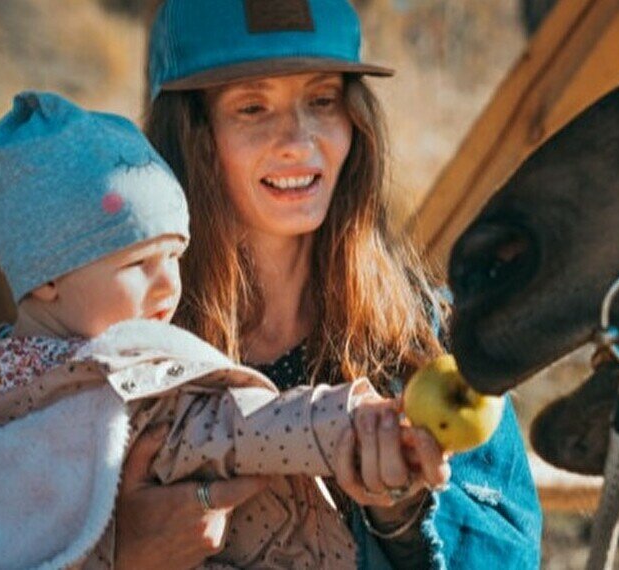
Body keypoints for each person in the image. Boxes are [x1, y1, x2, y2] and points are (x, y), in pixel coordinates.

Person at [0, 91, 442, 568]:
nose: (168, 288)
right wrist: (353, 425)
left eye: (176, 258)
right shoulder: (136, 383)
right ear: (47, 275)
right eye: (139, 265)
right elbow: (243, 425)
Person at [114, 0, 544, 568]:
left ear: (355, 122)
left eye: (322, 100)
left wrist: (405, 520)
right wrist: (120, 548)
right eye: (252, 107)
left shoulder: (429, 340)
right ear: (192, 133)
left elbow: (513, 556)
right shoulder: (132, 347)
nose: (298, 139)